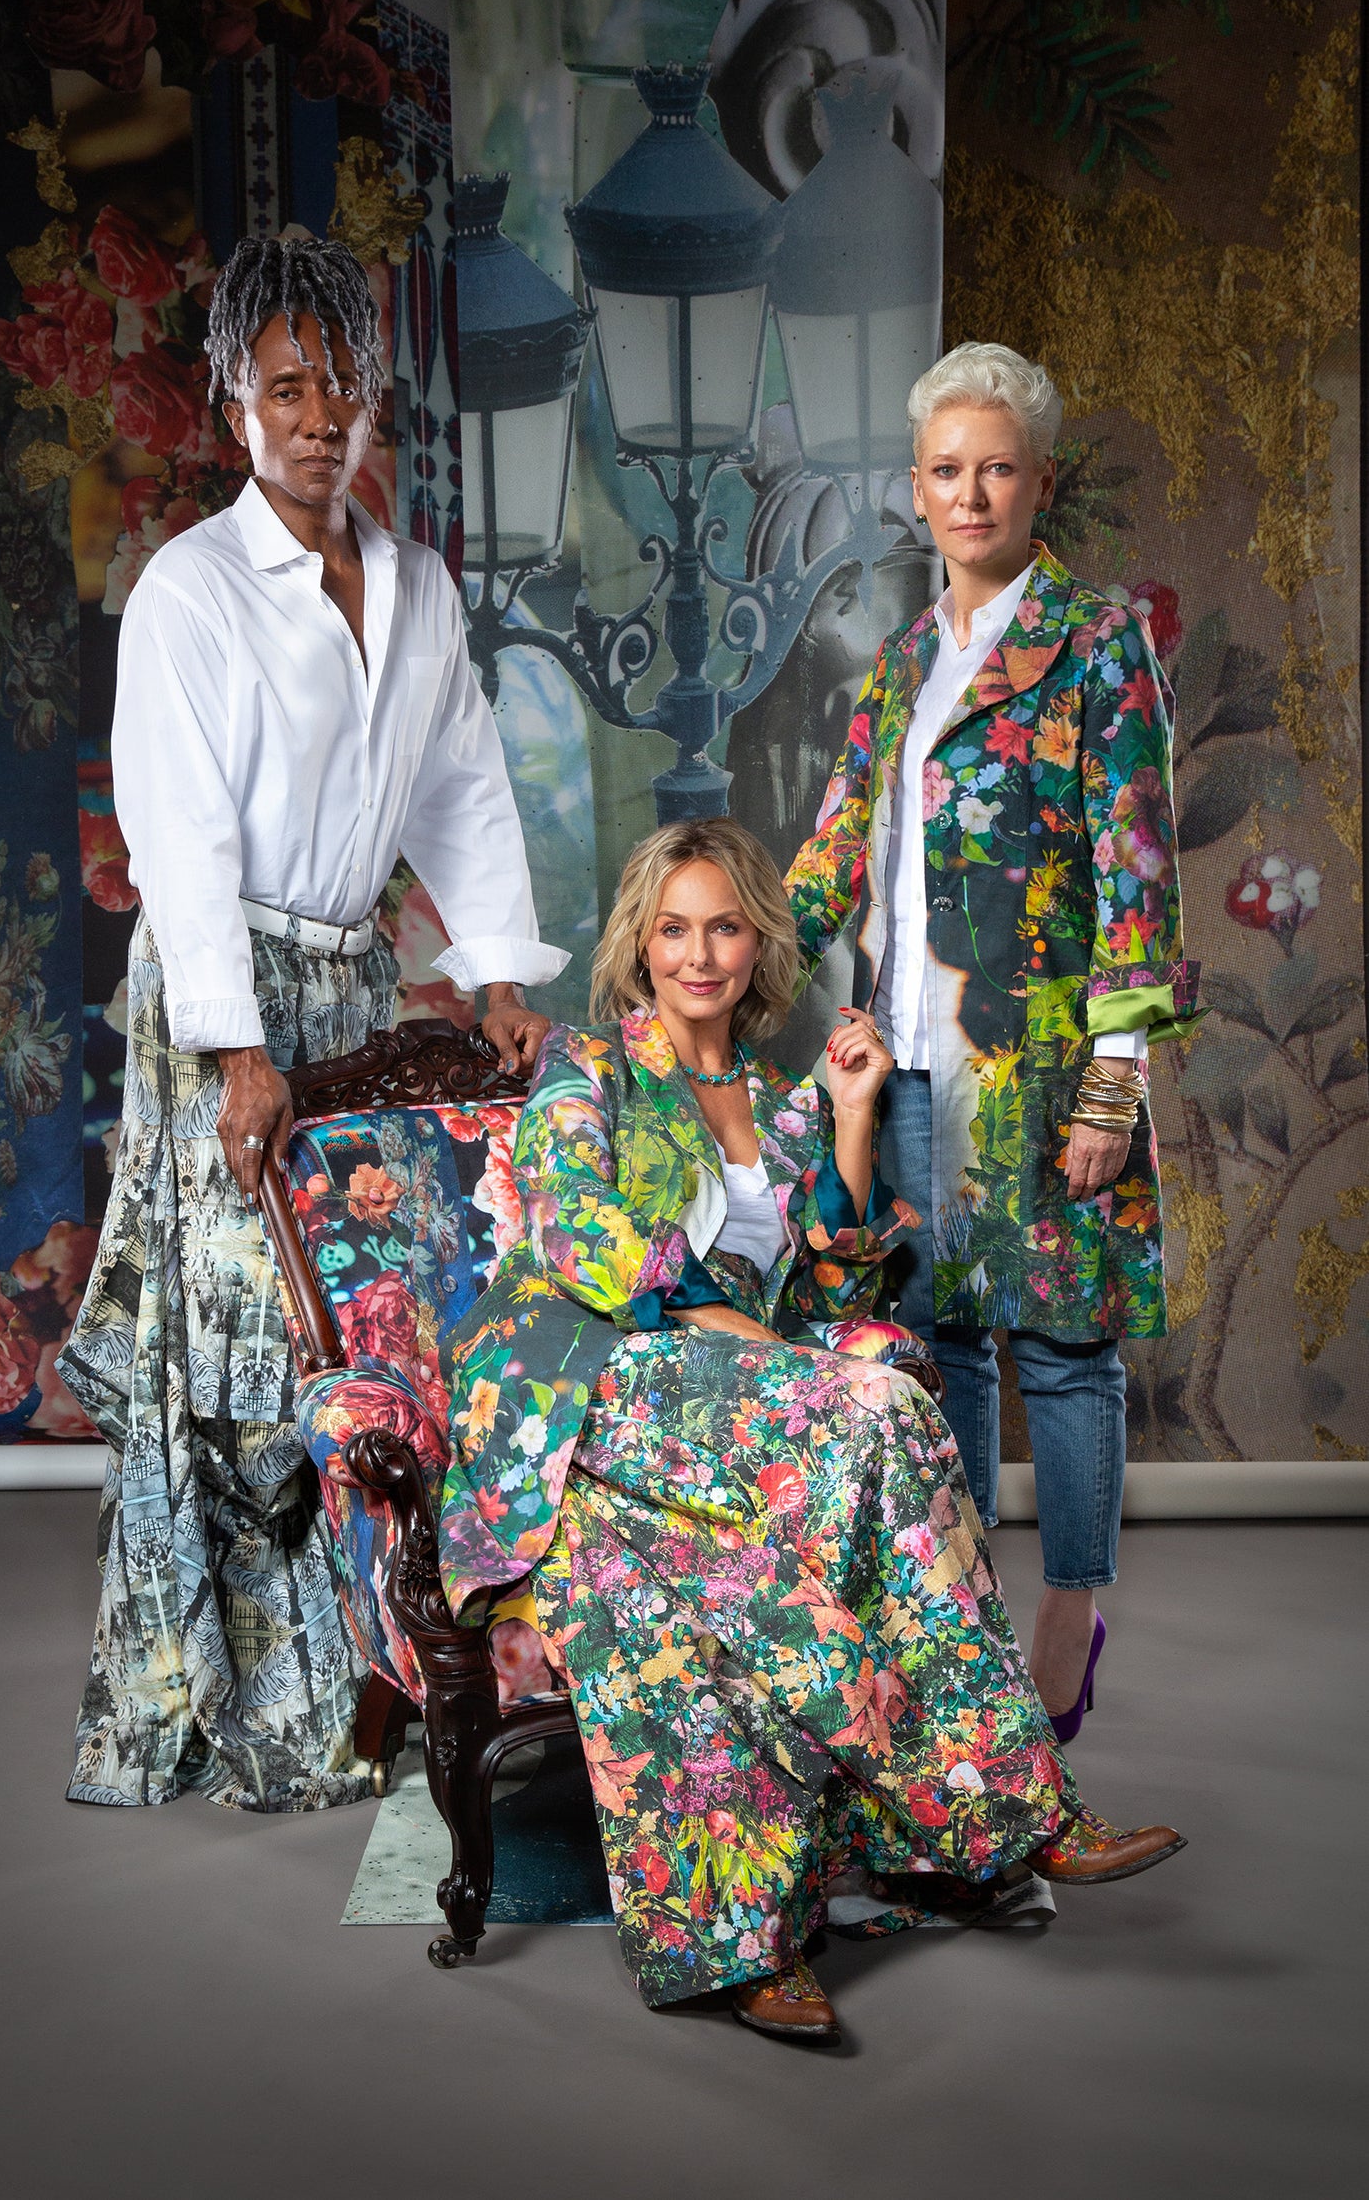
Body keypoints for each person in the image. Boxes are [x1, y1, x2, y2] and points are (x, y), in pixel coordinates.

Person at [436, 817, 1184, 2047]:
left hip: (733, 1416)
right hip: (585, 1380)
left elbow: (834, 1290)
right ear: (639, 944)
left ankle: (790, 1916)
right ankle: (1021, 1810)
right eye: (673, 929)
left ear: (758, 945)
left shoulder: (781, 1102)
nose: (698, 954)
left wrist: (849, 1113)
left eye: (724, 927)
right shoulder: (590, 1066)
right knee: (879, 1401)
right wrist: (739, 1329)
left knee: (814, 1476)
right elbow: (577, 1231)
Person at [58, 235, 568, 1813]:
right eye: (287, 386)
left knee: (344, 1327)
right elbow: (178, 837)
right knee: (233, 1344)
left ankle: (367, 1676)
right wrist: (236, 1051)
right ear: (233, 405)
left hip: (348, 981)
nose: (320, 413)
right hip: (225, 1004)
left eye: (343, 383)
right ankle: (244, 1709)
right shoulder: (189, 592)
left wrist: (496, 974)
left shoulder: (415, 586)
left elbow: (463, 784)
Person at [784, 341, 1197, 1739]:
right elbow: (836, 854)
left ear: (1038, 483)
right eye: (948, 471)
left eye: (998, 469)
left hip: (1045, 1068)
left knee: (1063, 1345)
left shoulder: (1095, 643)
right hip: (906, 1061)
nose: (971, 495)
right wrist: (704, 956)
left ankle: (1071, 1605)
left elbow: (1138, 871)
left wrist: (1114, 1082)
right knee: (943, 1346)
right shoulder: (904, 662)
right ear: (916, 489)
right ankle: (958, 1615)